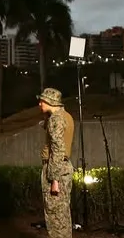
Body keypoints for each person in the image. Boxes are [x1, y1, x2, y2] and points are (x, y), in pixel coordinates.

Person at [38, 88, 75, 238]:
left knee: (55, 216)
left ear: (50, 102)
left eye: (42, 101)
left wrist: (54, 179)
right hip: (63, 166)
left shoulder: (56, 120)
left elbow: (58, 149)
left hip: (56, 168)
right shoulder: (65, 116)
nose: (39, 104)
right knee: (62, 214)